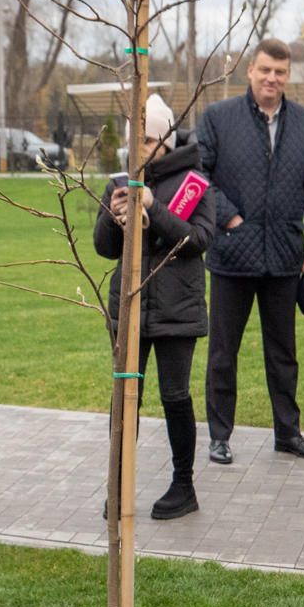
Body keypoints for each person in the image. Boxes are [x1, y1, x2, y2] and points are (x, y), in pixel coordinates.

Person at [194, 37, 304, 463]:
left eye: (280, 72)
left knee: (283, 354)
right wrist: (229, 216)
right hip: (232, 255)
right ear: (250, 70)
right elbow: (198, 175)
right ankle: (219, 436)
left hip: (286, 258)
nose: (272, 78)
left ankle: (288, 434)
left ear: (289, 75)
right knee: (222, 353)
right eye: (265, 70)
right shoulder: (218, 118)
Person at [94, 93, 221, 520]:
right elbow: (103, 249)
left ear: (165, 138)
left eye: (145, 139)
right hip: (128, 307)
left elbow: (198, 240)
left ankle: (183, 486)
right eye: (134, 138)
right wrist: (114, 217)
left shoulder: (195, 183)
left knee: (174, 396)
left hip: (176, 309)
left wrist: (153, 206)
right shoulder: (119, 181)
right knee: (124, 398)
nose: (138, 146)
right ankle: (118, 485)